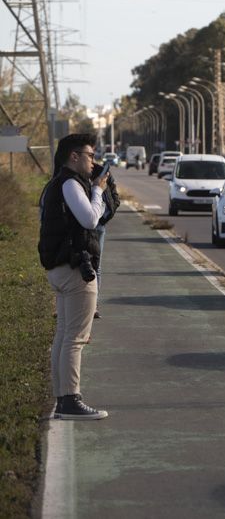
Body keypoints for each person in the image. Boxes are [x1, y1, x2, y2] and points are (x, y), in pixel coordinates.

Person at [38, 133, 109, 420]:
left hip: (60, 268)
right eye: (90, 155)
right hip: (73, 269)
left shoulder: (57, 183)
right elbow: (90, 218)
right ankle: (70, 400)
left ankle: (62, 398)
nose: (94, 161)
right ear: (74, 156)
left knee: (65, 336)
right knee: (75, 339)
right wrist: (98, 191)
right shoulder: (70, 183)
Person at [90, 159, 121, 319]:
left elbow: (115, 197)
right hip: (85, 224)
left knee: (97, 266)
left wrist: (107, 216)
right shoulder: (80, 174)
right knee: (78, 265)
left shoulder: (104, 173)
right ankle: (80, 304)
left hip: (100, 226)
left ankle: (93, 305)